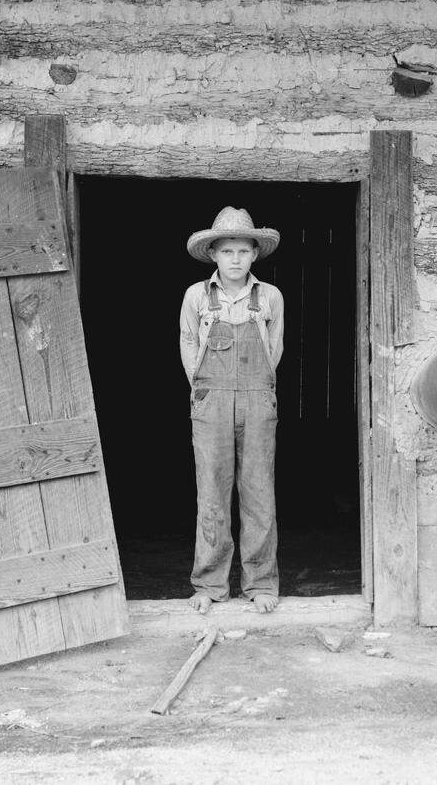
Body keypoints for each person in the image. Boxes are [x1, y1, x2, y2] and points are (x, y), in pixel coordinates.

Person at [179, 206, 284, 614]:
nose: (236, 259)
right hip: (212, 401)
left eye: (243, 250)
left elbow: (274, 350)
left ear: (255, 253)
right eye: (227, 251)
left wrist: (254, 389)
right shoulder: (196, 296)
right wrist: (203, 389)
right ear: (214, 255)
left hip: (257, 399)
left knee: (259, 492)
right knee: (212, 493)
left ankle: (260, 583)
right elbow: (189, 343)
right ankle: (208, 584)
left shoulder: (270, 296)